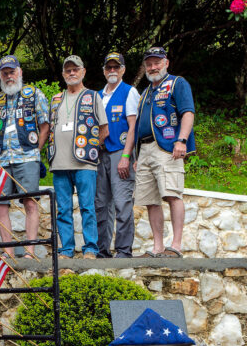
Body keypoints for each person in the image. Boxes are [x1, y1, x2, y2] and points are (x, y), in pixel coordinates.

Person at [133, 46, 196, 258]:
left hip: (168, 147)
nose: (152, 67)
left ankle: (176, 245)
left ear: (166, 63)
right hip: (146, 149)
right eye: (149, 64)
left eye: (156, 63)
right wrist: (136, 154)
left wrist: (182, 140)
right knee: (151, 200)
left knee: (172, 194)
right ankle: (158, 247)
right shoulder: (146, 92)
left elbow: (188, 112)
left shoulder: (178, 83)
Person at [47, 55, 109, 259]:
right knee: (63, 209)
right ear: (63, 74)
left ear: (83, 72)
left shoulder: (92, 96)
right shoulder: (56, 99)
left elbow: (104, 130)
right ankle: (66, 249)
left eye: (76, 69)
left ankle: (90, 248)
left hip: (84, 163)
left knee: (87, 207)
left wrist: (91, 148)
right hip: (59, 164)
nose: (72, 73)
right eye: (68, 70)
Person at [0, 55, 50, 258]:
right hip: (2, 160)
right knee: (0, 206)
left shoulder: (34, 94)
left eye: (12, 72)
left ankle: (29, 251)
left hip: (27, 157)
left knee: (30, 203)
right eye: (5, 73)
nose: (9, 76)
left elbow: (45, 126)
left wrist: (36, 151)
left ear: (20, 72)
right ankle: (7, 252)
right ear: (0, 75)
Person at [96, 52, 141, 259]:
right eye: (109, 68)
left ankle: (123, 250)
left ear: (123, 70)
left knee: (122, 203)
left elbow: (133, 127)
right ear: (104, 71)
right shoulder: (97, 95)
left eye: (116, 67)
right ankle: (102, 250)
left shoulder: (129, 92)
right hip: (100, 155)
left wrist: (126, 156)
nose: (112, 71)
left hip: (119, 153)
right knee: (101, 204)